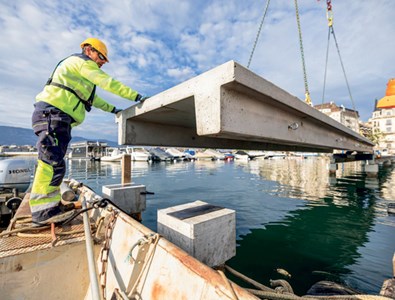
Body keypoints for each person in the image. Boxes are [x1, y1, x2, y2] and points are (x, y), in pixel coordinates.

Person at [30, 37, 148, 225]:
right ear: (88, 50)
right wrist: (136, 96)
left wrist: (114, 110)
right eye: (101, 57)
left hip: (56, 118)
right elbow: (108, 83)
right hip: (53, 115)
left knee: (55, 163)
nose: (102, 62)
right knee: (51, 163)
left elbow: (95, 100)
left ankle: (50, 207)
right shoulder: (82, 63)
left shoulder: (80, 75)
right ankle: (43, 213)